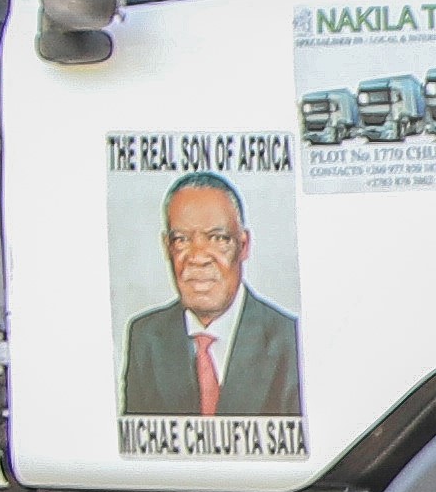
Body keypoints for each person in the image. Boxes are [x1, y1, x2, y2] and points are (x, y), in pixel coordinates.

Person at [122, 173, 305, 420]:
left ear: (244, 245)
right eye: (182, 240)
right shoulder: (145, 336)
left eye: (219, 238)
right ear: (167, 247)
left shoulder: (289, 340)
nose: (198, 257)